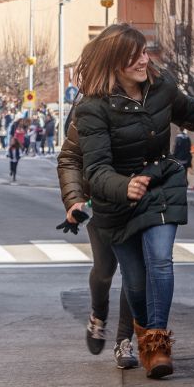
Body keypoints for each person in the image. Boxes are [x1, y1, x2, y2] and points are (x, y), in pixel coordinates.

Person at [74, 23, 194, 378]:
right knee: (135, 283)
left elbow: (191, 111)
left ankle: (157, 346)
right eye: (134, 56)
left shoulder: (161, 85)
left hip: (160, 183)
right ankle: (143, 330)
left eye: (143, 52)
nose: (144, 60)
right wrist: (123, 186)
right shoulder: (92, 109)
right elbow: (95, 169)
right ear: (114, 62)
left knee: (160, 261)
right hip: (117, 202)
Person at [57, 108, 139, 369]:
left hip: (137, 201)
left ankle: (124, 341)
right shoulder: (90, 107)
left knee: (134, 273)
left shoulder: (144, 97)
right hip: (101, 203)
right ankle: (98, 316)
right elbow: (71, 158)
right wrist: (75, 201)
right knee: (104, 269)